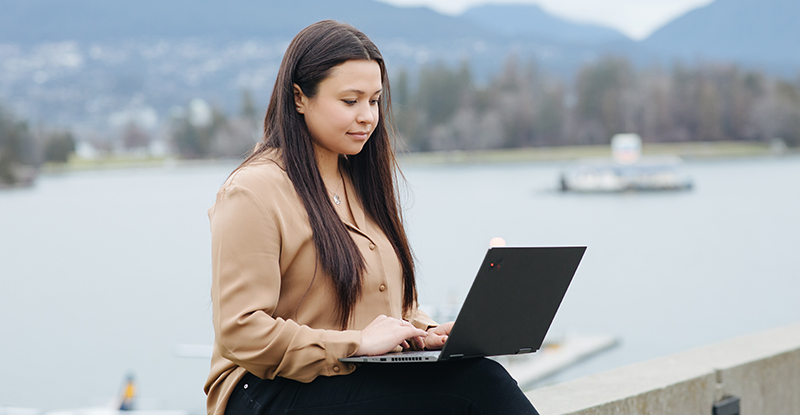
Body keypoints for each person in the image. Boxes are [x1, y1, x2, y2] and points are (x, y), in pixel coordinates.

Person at [204, 20, 539, 415]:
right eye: (350, 101)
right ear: (298, 98)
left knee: (475, 371)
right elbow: (240, 331)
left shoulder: (361, 183)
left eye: (375, 100)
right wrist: (355, 344)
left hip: (354, 378)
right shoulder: (253, 191)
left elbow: (389, 308)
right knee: (479, 385)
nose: (367, 116)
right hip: (267, 392)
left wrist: (424, 333)